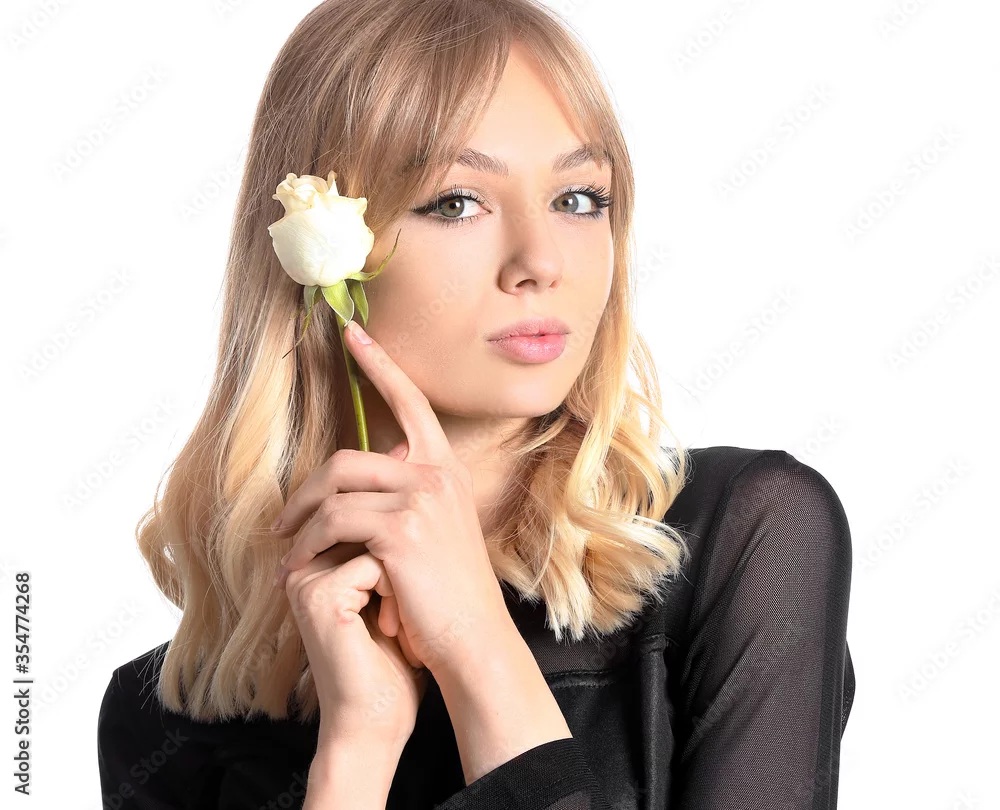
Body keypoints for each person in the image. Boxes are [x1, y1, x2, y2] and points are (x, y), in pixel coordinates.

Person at [96, 1, 856, 808]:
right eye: (457, 201)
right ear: (317, 258)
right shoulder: (165, 719)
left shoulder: (745, 540)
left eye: (579, 198)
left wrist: (477, 652)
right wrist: (354, 753)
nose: (541, 261)